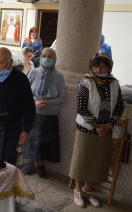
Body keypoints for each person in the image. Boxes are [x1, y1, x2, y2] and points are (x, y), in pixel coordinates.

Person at [69, 53, 124, 208]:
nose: (98, 70)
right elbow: (81, 108)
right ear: (91, 66)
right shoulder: (86, 82)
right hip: (87, 129)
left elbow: (120, 107)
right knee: (83, 160)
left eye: (102, 66)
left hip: (106, 130)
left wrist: (109, 125)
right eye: (95, 66)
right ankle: (78, 190)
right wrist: (98, 126)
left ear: (109, 67)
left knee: (97, 161)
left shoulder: (114, 83)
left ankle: (88, 189)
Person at [23, 48, 66, 178]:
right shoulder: (33, 72)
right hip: (33, 112)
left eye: (50, 56)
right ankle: (29, 162)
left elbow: (62, 97)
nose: (46, 58)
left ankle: (41, 164)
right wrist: (35, 100)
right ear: (40, 57)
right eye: (44, 56)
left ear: (54, 59)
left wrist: (49, 103)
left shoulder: (59, 76)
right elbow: (25, 92)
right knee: (31, 138)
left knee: (45, 141)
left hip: (50, 114)